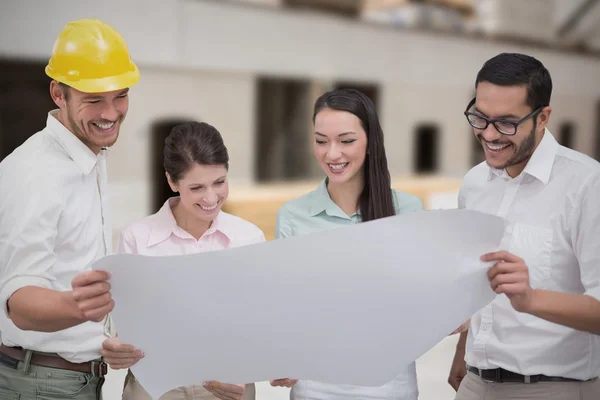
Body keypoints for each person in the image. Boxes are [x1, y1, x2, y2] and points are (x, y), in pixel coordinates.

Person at [0, 18, 140, 399]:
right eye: (94, 100)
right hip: (41, 385)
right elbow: (19, 301)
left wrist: (103, 335)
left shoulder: (87, 158)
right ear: (58, 94)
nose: (110, 113)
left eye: (120, 95)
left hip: (69, 380)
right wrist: (77, 307)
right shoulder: (36, 172)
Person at [449, 52, 600, 400]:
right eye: (480, 118)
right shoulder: (474, 183)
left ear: (543, 117)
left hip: (554, 388)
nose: (489, 134)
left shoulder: (586, 186)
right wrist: (463, 352)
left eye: (506, 123)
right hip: (474, 382)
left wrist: (531, 299)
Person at [270, 88, 423, 400]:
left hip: (390, 388)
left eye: (346, 140)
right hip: (315, 388)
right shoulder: (292, 216)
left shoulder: (409, 211)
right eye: (321, 140)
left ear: (370, 142)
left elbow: (421, 306)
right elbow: (285, 309)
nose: (331, 154)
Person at [101, 121, 265, 400]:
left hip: (227, 385)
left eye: (220, 182)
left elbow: (263, 321)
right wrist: (115, 346)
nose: (211, 197)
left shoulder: (248, 238)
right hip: (155, 386)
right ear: (172, 182)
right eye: (197, 187)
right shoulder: (137, 239)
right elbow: (124, 324)